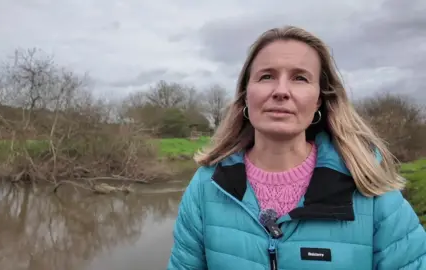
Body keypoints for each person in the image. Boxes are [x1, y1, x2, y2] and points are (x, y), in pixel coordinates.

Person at [167, 25, 426, 270]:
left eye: (300, 78)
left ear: (318, 101)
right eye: (267, 76)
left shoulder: (368, 182)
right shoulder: (206, 186)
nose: (281, 91)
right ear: (246, 94)